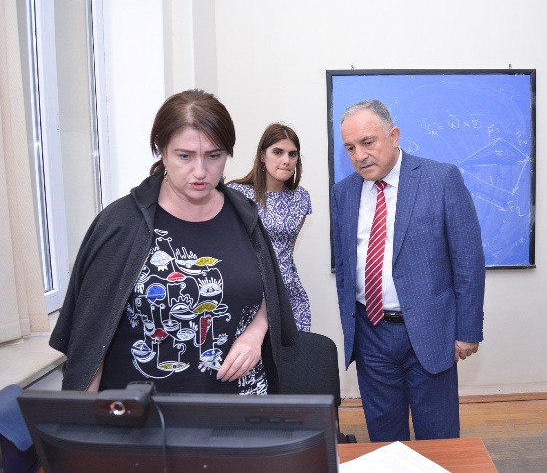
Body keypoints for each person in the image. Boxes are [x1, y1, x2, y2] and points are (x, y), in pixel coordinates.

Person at [49, 89, 298, 395]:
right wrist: (86, 419)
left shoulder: (244, 216)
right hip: (145, 413)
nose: (200, 172)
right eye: (185, 156)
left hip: (239, 407)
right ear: (161, 149)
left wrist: (255, 334)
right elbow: (91, 341)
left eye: (214, 156)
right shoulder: (121, 225)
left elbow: (269, 291)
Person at [331, 99, 485, 441]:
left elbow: (468, 259)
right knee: (385, 440)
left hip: (430, 332)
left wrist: (467, 329)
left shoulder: (440, 179)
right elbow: (345, 266)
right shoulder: (344, 193)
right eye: (350, 148)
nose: (359, 156)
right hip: (370, 333)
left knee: (438, 439)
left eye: (367, 142)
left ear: (394, 135)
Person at [228, 123, 313, 331]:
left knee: (295, 351)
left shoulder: (301, 198)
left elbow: (288, 249)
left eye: (292, 154)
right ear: (262, 156)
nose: (286, 160)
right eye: (278, 152)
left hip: (289, 293)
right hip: (250, 294)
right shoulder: (237, 194)